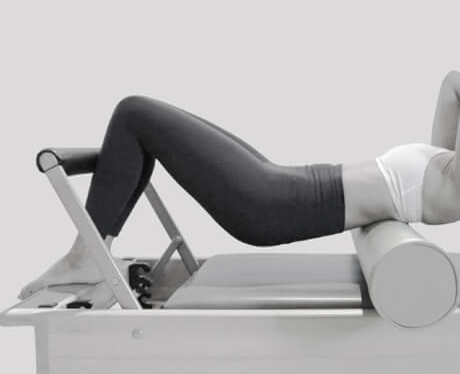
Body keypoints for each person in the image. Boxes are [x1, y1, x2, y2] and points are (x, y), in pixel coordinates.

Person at [18, 70, 460, 301]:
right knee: (145, 127)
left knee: (135, 113)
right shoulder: (444, 164)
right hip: (281, 187)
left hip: (272, 205)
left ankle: (85, 256)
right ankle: (92, 252)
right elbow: (451, 82)